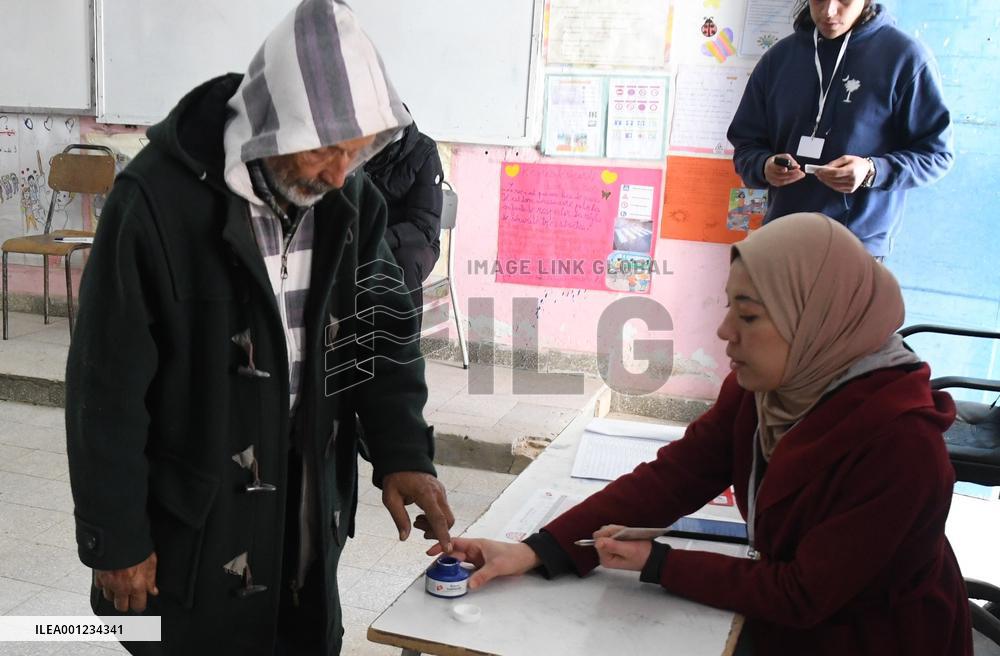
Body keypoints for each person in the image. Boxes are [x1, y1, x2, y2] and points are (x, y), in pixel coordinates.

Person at [65, 2, 454, 655]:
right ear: (272, 127)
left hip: (305, 513)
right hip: (197, 524)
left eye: (355, 151)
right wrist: (115, 537)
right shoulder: (155, 203)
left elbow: (382, 338)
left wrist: (403, 453)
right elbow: (104, 389)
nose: (339, 173)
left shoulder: (350, 202)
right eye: (324, 149)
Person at [432, 213, 972, 655]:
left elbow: (804, 594)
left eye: (749, 316)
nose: (724, 331)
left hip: (873, 640)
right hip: (787, 625)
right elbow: (673, 479)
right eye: (730, 306)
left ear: (816, 321)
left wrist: (661, 563)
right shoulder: (766, 392)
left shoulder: (902, 446)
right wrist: (537, 551)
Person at [726, 0, 954, 258]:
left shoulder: (905, 58)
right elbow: (745, 145)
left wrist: (871, 170)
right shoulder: (778, 59)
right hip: (781, 240)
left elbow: (937, 155)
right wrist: (763, 166)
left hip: (856, 249)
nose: (829, 11)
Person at [363, 113, 444, 315]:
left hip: (415, 242)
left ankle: (407, 334)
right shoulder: (357, 146)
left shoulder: (424, 152)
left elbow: (424, 227)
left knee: (405, 260)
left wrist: (376, 241)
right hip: (366, 236)